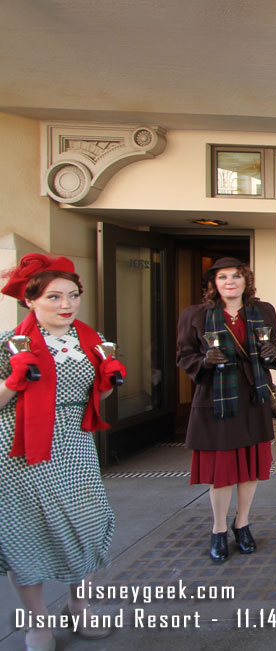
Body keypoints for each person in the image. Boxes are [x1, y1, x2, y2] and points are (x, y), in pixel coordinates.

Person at [1, 254, 126, 649]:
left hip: (75, 442)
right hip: (20, 449)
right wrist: (14, 379)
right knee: (27, 534)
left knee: (85, 525)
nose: (67, 305)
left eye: (73, 295)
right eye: (54, 297)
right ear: (30, 301)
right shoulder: (8, 343)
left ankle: (79, 606)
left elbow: (94, 397)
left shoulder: (89, 341)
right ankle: (37, 624)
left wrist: (107, 381)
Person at [176, 257, 276, 562]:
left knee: (250, 468)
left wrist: (272, 351)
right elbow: (184, 355)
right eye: (223, 277)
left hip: (252, 396)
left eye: (236, 276)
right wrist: (203, 362)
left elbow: (273, 344)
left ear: (246, 280)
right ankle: (218, 529)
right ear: (214, 284)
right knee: (221, 471)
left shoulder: (263, 311)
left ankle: (243, 523)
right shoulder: (195, 315)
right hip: (217, 400)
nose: (230, 282)